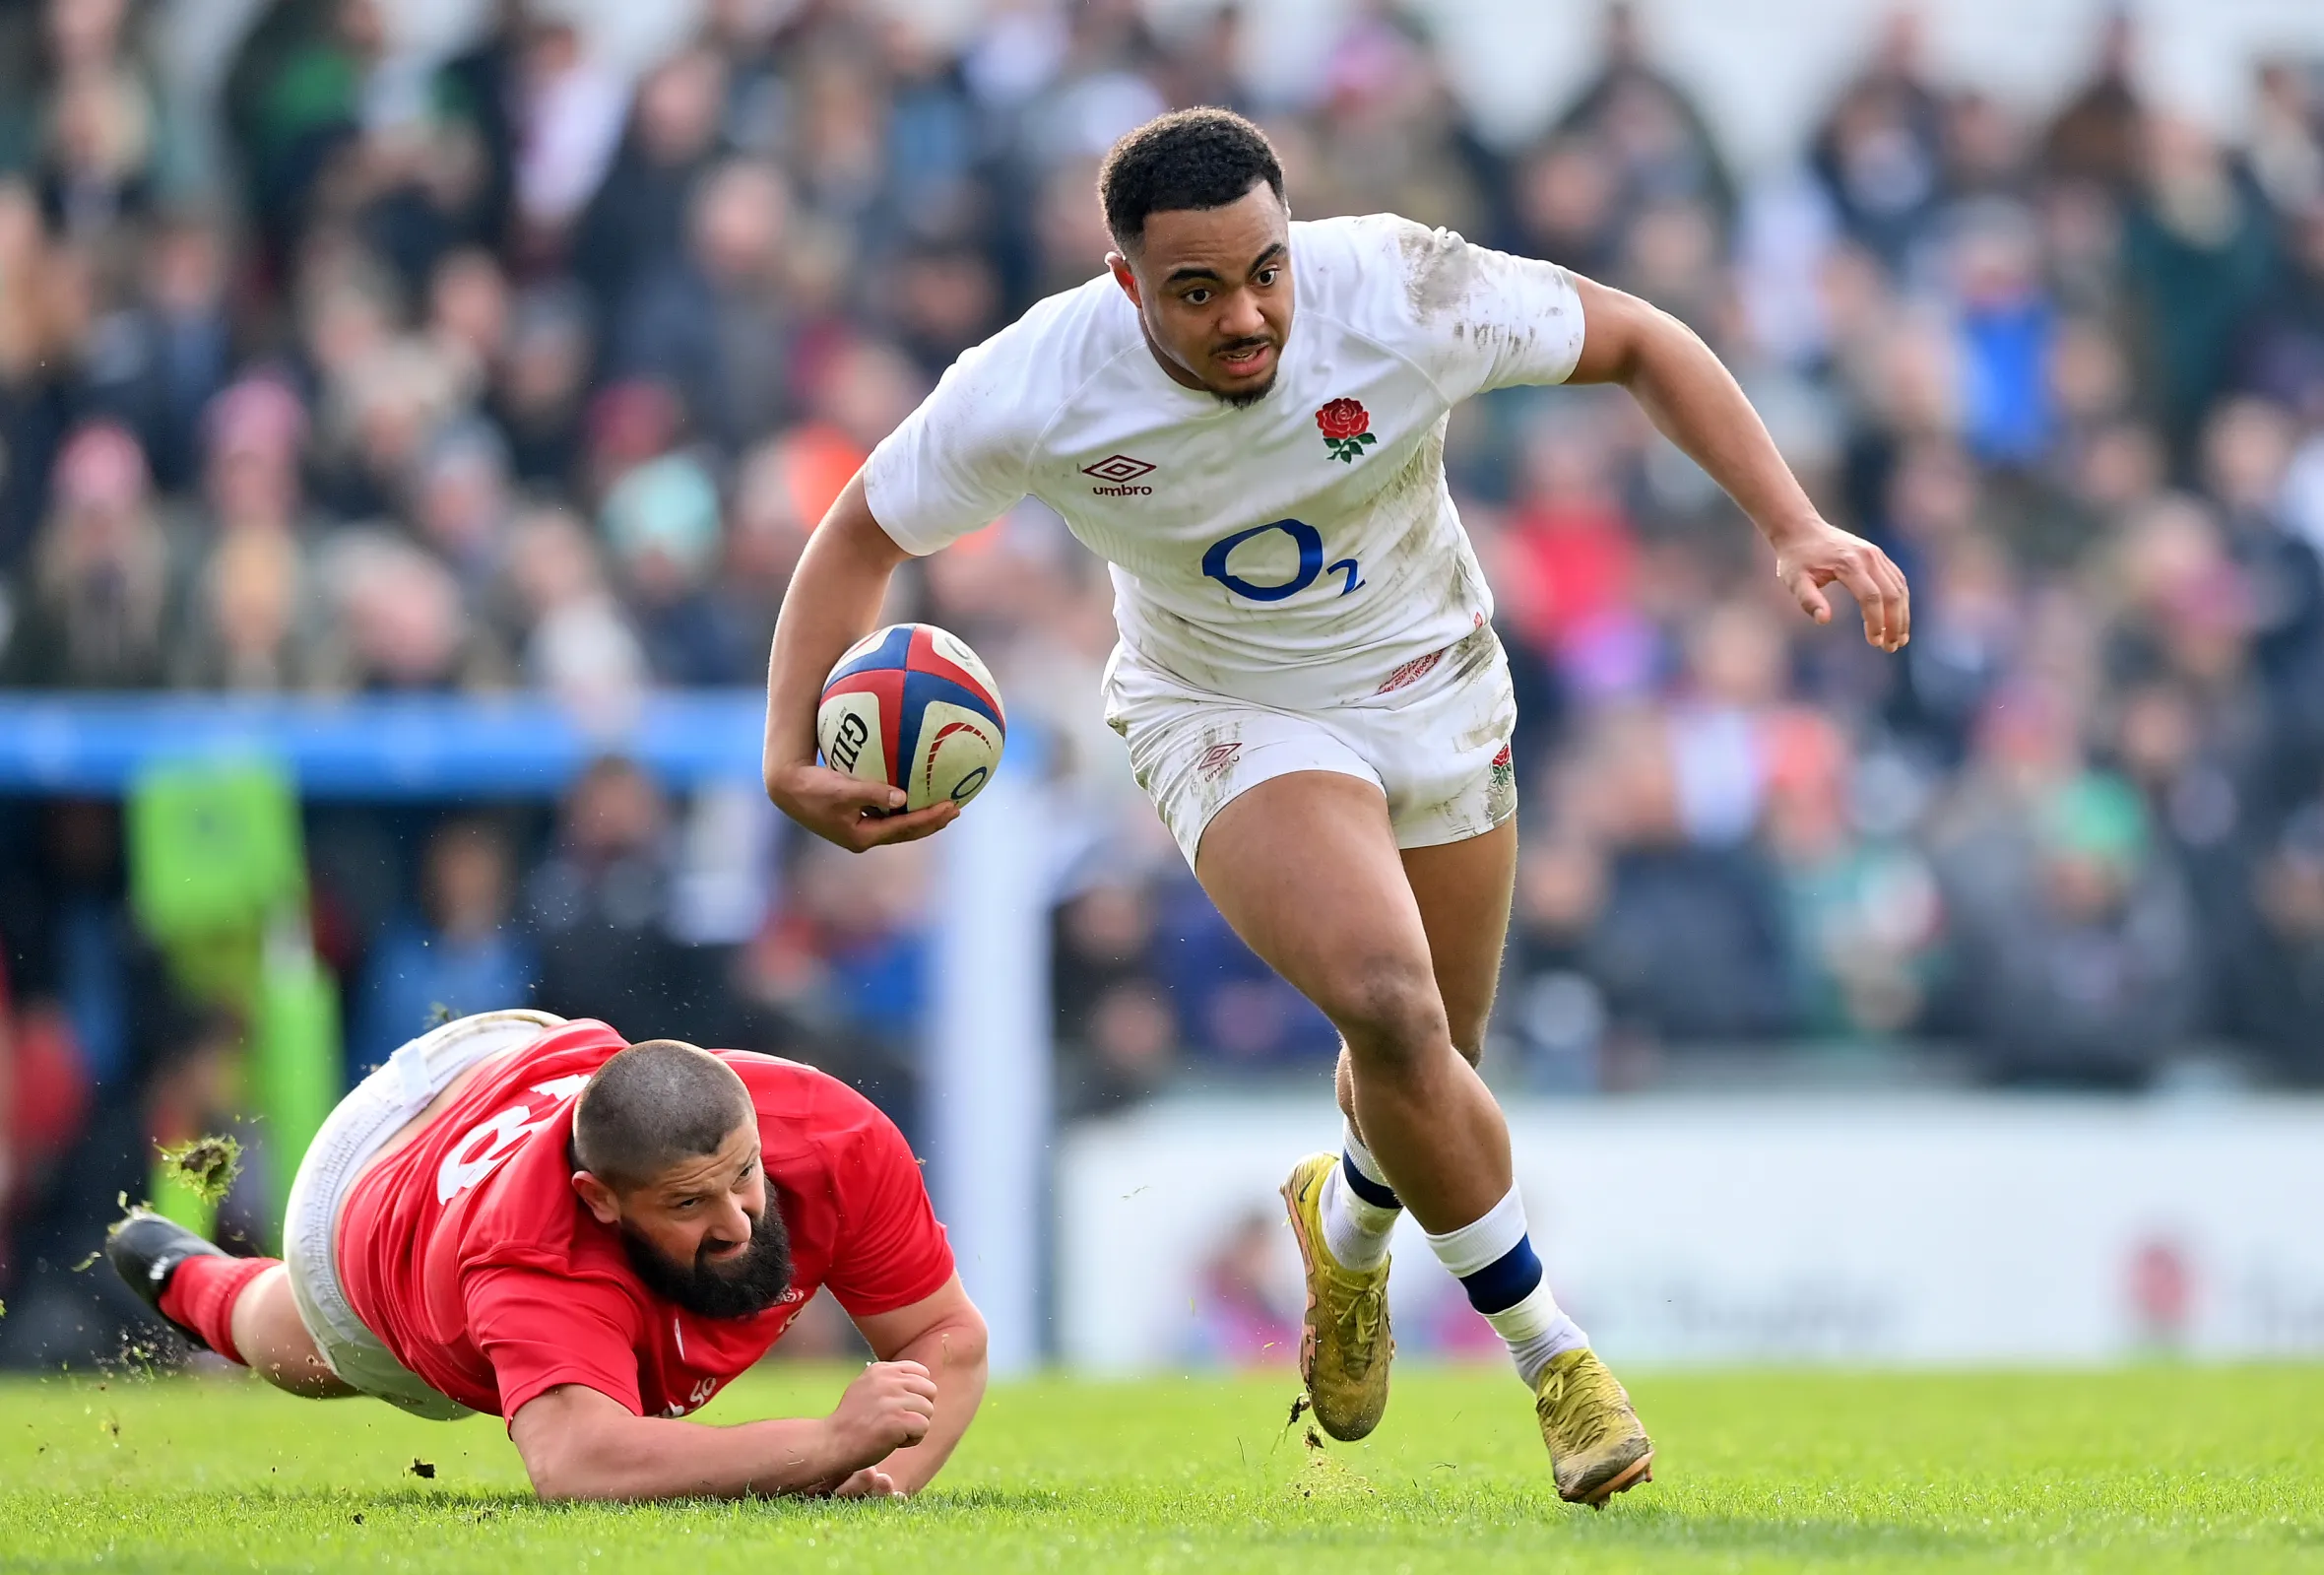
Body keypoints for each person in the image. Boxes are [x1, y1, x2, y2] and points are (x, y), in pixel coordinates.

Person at [759, 108, 1909, 1505]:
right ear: (1127, 283)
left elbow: (1640, 341)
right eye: (1196, 291)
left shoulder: (1399, 286)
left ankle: (1346, 1232)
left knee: (1437, 1063)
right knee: (1389, 1003)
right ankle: (1555, 1359)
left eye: (1264, 272)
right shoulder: (1035, 383)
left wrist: (1792, 519)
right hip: (1223, 708)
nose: (1245, 315)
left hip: (1436, 685)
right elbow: (861, 529)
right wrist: (784, 750)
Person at [107, 1011, 986, 1500]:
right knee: (305, 1353)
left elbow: (948, 1332)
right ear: (600, 1199)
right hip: (364, 1204)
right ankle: (198, 1283)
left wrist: (882, 1479)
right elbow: (579, 1462)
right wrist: (825, 1442)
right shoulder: (532, 1253)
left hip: (516, 1055)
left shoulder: (832, 1132)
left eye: (745, 1174)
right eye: (689, 1203)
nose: (739, 1223)